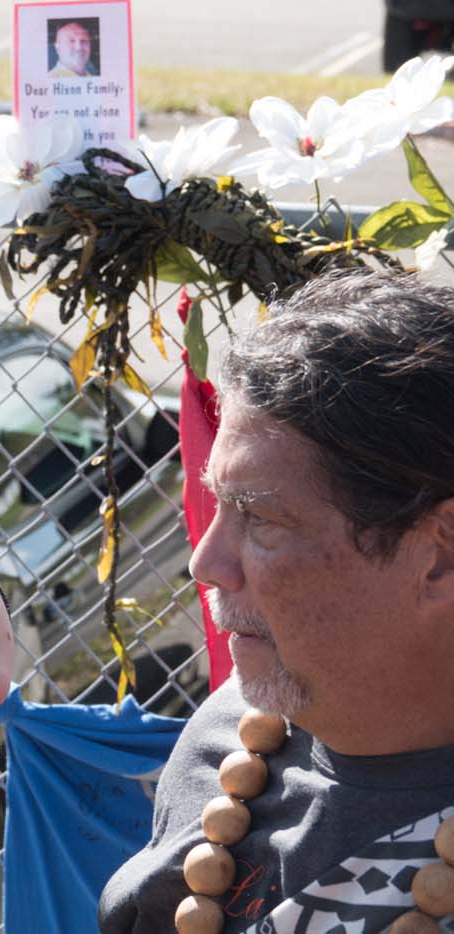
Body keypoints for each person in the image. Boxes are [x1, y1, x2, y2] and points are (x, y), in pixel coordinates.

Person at [98, 271, 454, 933]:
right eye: (217, 504)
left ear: (438, 554)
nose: (206, 564)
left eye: (260, 520)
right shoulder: (231, 732)